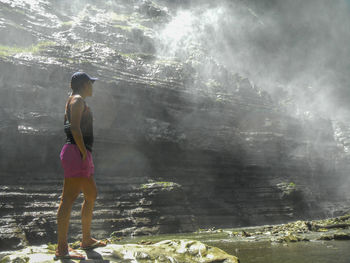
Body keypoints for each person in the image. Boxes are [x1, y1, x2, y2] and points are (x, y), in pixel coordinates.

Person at [55, 72, 106, 260]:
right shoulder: (77, 101)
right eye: (91, 83)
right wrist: (83, 151)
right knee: (68, 198)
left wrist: (84, 152)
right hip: (77, 152)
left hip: (79, 152)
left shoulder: (72, 101)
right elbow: (74, 128)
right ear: (84, 84)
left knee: (91, 194)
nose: (92, 87)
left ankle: (86, 239)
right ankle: (62, 249)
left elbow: (67, 124)